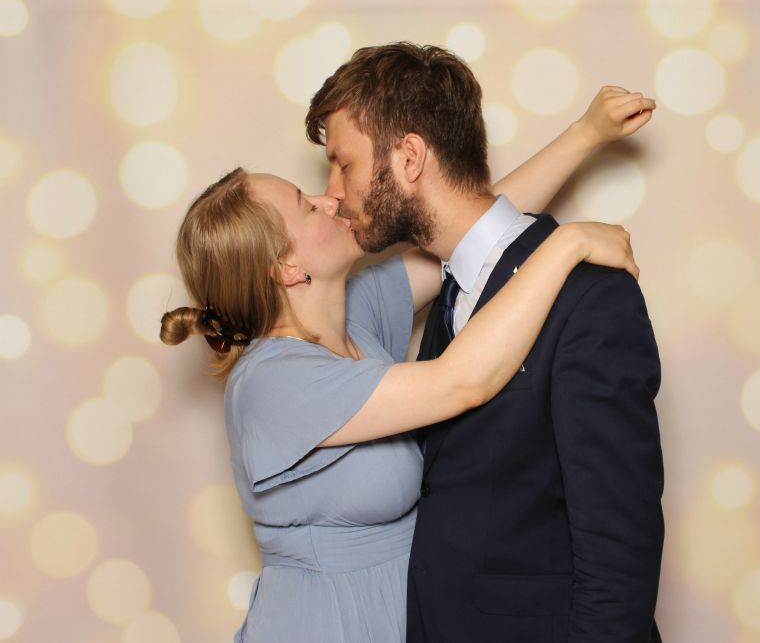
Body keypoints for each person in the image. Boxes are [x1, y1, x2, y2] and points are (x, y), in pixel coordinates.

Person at [160, 84, 652, 641]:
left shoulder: (358, 317)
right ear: (287, 269)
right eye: (306, 205)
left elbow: (476, 233)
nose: (330, 199)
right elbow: (459, 383)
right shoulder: (271, 383)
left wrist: (585, 135)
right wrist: (566, 245)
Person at [306, 43, 664, 643]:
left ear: (410, 157)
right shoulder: (449, 288)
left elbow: (618, 553)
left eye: (343, 163)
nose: (333, 191)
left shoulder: (591, 297)